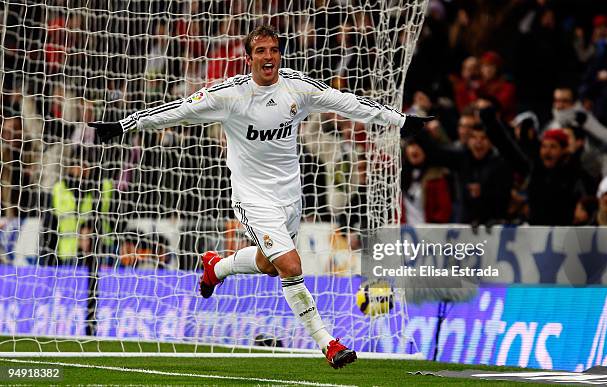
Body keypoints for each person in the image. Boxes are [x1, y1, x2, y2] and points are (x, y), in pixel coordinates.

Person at [89, 25, 430, 369]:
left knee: (269, 265)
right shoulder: (230, 95)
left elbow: (346, 103)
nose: (269, 57)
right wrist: (124, 126)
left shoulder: (297, 87)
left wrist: (398, 120)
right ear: (249, 57)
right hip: (252, 198)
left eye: (274, 50)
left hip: (290, 196)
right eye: (262, 51)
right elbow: (179, 110)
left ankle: (216, 268)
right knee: (291, 265)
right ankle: (328, 343)